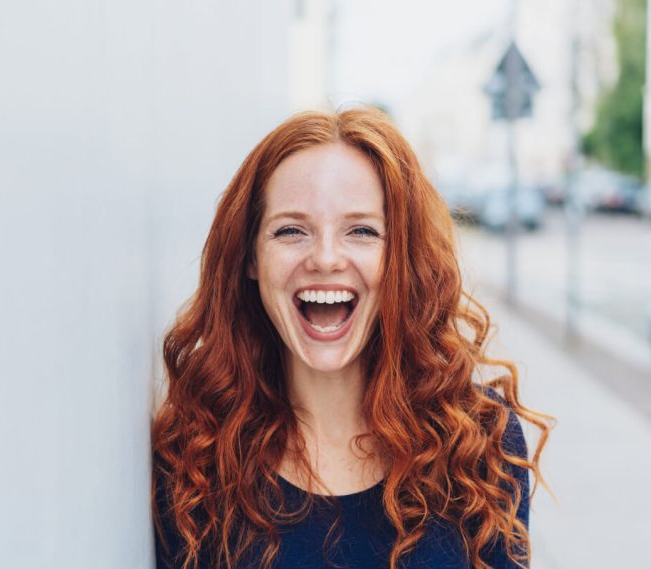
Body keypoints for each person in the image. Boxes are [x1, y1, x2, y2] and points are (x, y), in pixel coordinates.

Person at [151, 108, 552, 569]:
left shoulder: (480, 441)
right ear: (250, 260)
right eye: (290, 230)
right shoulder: (195, 459)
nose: (325, 258)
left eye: (361, 230)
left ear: (400, 257)